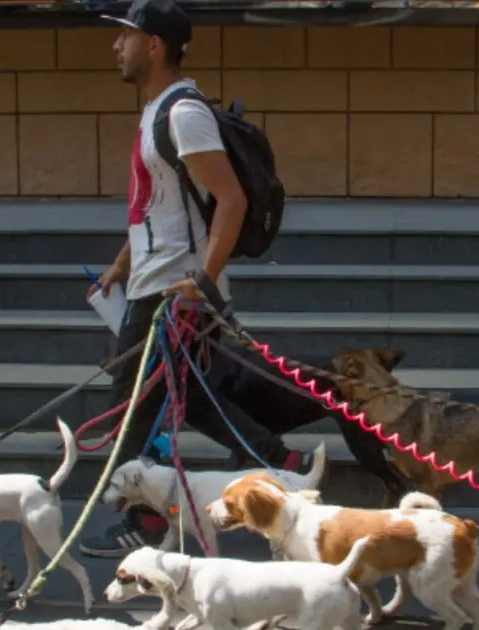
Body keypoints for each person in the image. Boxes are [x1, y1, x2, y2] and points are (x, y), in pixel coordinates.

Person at [79, 0, 324, 559]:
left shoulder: (183, 114)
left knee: (131, 406)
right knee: (185, 396)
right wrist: (122, 262)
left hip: (175, 292)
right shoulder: (155, 110)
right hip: (152, 281)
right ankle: (275, 459)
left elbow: (231, 201)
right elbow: (157, 207)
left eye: (126, 37)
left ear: (155, 45)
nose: (116, 46)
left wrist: (202, 284)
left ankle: (140, 521)